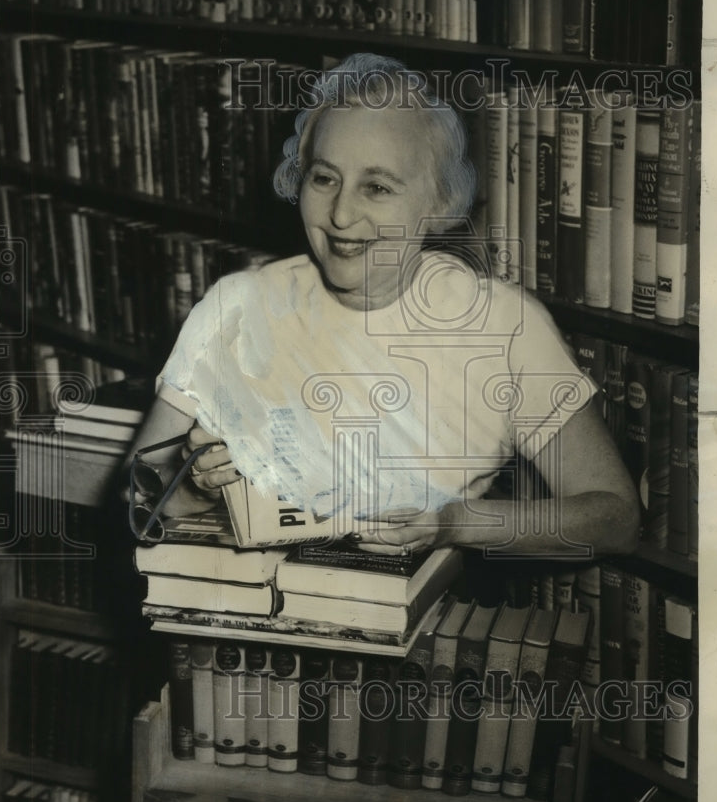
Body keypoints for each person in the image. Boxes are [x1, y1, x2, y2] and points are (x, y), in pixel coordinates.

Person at [128, 52, 639, 561]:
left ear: (438, 204)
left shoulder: (502, 327)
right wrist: (196, 492)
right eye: (324, 178)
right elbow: (137, 497)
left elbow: (616, 518)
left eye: (377, 187)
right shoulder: (235, 309)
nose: (342, 214)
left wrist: (455, 523)